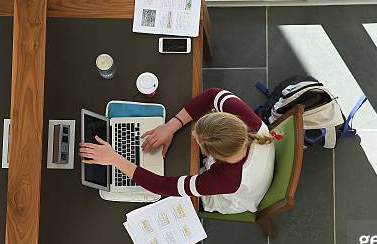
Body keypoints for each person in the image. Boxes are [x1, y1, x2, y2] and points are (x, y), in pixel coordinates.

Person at [79, 88, 276, 214]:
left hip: (234, 197)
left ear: (213, 157)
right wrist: (171, 126)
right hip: (253, 170)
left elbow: (165, 187)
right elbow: (212, 95)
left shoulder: (226, 179)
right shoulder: (252, 123)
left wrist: (115, 159)